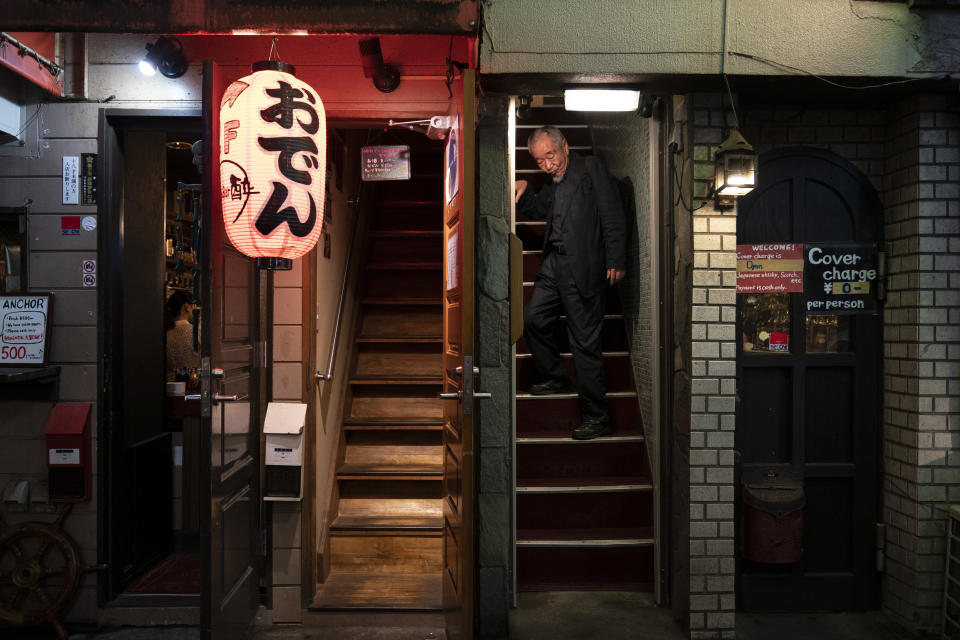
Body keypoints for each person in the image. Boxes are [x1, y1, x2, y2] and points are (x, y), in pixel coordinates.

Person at [515, 126, 626, 440]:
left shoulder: (590, 168)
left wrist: (616, 258)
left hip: (584, 266)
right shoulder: (554, 183)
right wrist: (524, 192)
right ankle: (555, 377)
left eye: (550, 155)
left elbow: (612, 213)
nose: (547, 165)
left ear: (565, 146)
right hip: (553, 264)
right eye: (539, 162)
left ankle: (597, 416)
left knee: (584, 343)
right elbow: (540, 209)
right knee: (533, 317)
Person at [165, 291, 200, 382]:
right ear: (187, 307)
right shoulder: (197, 332)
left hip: (169, 388)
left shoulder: (165, 333)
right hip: (194, 387)